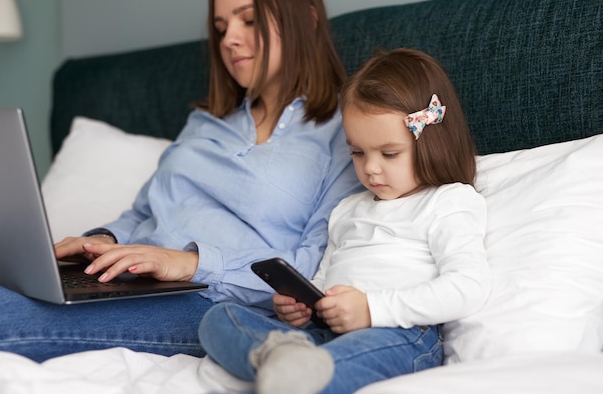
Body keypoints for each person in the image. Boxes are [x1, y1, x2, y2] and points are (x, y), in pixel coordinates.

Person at [0, 0, 361, 362]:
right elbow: (143, 211)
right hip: (134, 280)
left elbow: (312, 270)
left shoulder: (346, 134)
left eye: (249, 20)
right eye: (221, 27)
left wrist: (192, 264)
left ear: (307, 21)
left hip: (211, 303)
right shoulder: (205, 121)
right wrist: (104, 241)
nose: (229, 39)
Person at [198, 48, 492, 394]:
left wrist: (371, 309)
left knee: (328, 368)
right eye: (357, 152)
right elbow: (326, 277)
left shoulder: (448, 201)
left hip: (398, 335)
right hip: (321, 333)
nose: (370, 168)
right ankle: (282, 357)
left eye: (389, 153)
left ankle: (294, 375)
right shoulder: (348, 209)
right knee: (219, 318)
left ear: (432, 140)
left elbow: (468, 287)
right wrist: (303, 306)